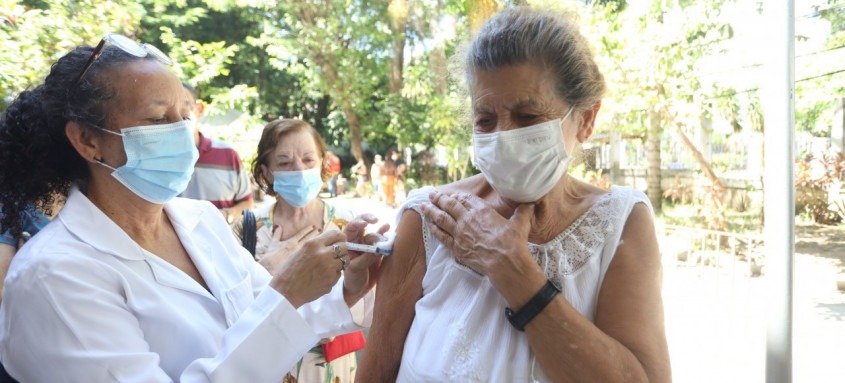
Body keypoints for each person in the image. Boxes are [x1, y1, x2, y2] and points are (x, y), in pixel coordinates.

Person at [0, 33, 384, 382]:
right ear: (87, 140)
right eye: (157, 119)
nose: (182, 134)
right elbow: (276, 312)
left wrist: (346, 289)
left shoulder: (201, 221)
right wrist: (286, 294)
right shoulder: (54, 277)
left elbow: (268, 317)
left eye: (184, 116)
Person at [357, 8, 671, 382]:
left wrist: (513, 272)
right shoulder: (428, 218)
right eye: (485, 120)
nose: (504, 137)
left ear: (585, 119)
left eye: (527, 117)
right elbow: (376, 373)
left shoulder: (620, 222)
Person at [235, 118, 383, 382]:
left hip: (329, 366)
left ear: (322, 163)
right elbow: (230, 307)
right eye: (284, 163)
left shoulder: (345, 224)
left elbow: (369, 303)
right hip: (268, 364)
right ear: (267, 172)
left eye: (308, 160)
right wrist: (265, 273)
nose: (299, 170)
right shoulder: (247, 229)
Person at [179, 82, 254, 224]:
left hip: (223, 245)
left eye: (184, 104)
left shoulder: (227, 154)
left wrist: (224, 216)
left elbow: (247, 204)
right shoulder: (152, 159)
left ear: (199, 109)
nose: (177, 114)